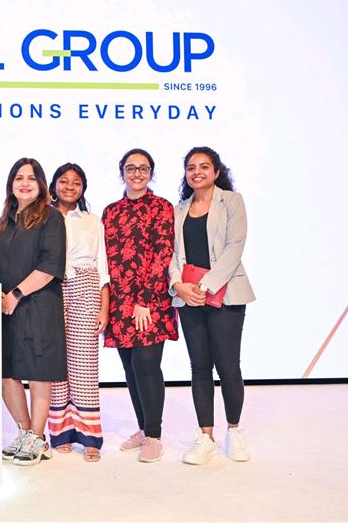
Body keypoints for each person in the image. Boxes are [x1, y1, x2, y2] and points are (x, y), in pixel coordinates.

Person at [168, 146, 255, 465]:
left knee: (228, 366)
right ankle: (205, 435)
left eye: (204, 166)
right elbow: (173, 256)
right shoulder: (179, 209)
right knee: (200, 367)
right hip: (188, 296)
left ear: (217, 172)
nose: (197, 172)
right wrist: (179, 285)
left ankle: (234, 431)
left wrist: (204, 287)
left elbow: (235, 247)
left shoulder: (232, 201)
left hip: (226, 294)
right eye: (191, 167)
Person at [0, 158, 67, 466]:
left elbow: (50, 264)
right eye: (18, 177)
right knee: (6, 371)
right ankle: (24, 433)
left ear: (41, 184)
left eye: (31, 178)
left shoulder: (51, 217)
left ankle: (38, 437)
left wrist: (17, 294)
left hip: (37, 305)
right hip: (6, 307)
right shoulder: (5, 220)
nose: (24, 183)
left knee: (38, 372)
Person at [101, 148, 178, 463]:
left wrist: (144, 300)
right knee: (131, 369)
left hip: (150, 302)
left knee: (147, 366)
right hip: (120, 303)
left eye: (143, 168)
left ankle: (155, 436)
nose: (136, 173)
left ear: (151, 172)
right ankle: (144, 429)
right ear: (122, 171)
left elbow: (163, 254)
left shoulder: (161, 208)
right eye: (130, 168)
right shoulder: (110, 211)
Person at [45, 163, 109, 462]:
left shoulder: (92, 221)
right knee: (56, 362)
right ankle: (60, 432)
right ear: (54, 184)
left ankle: (89, 436)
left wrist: (104, 306)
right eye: (64, 181)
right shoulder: (42, 216)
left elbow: (103, 265)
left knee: (84, 361)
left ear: (83, 187)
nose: (70, 187)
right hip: (52, 286)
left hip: (86, 285)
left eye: (76, 182)